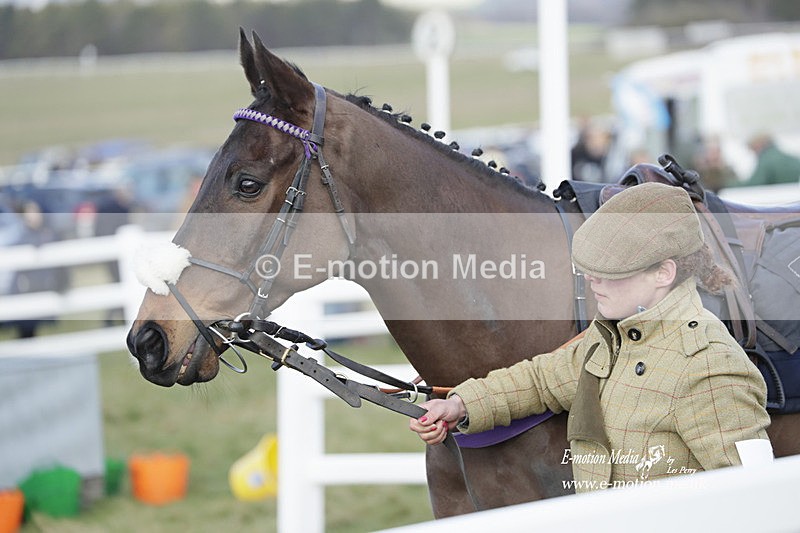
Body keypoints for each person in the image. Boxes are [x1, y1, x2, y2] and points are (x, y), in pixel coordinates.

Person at [410, 182, 771, 491]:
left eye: (611, 271)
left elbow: (751, 502)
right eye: (590, 269)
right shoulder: (613, 336)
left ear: (663, 273)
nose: (592, 280)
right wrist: (460, 405)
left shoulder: (709, 366)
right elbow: (540, 380)